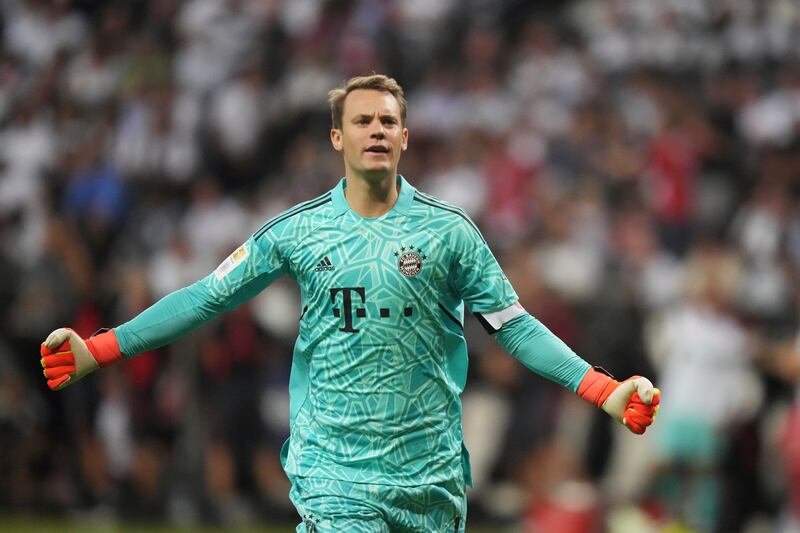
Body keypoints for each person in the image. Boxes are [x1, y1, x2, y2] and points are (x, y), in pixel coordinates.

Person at [40, 74, 660, 532]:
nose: (377, 131)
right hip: (335, 472)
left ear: (406, 137)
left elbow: (515, 328)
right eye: (363, 121)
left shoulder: (449, 233)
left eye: (388, 121)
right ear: (338, 136)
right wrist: (99, 347)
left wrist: (601, 389)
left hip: (431, 478)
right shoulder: (296, 232)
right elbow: (206, 298)